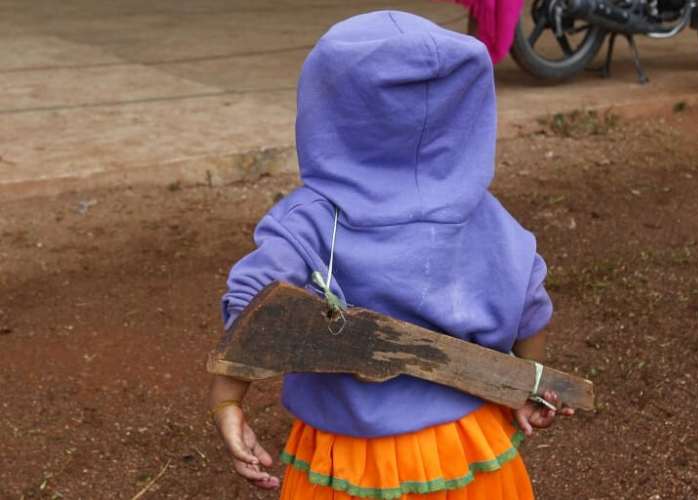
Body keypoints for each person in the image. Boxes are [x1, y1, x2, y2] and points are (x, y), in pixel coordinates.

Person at [207, 10, 573, 499]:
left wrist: (227, 402)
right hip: (468, 452)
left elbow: (256, 309)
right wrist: (528, 388)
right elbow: (530, 300)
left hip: (348, 464)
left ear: (328, 108)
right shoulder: (483, 216)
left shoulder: (312, 220)